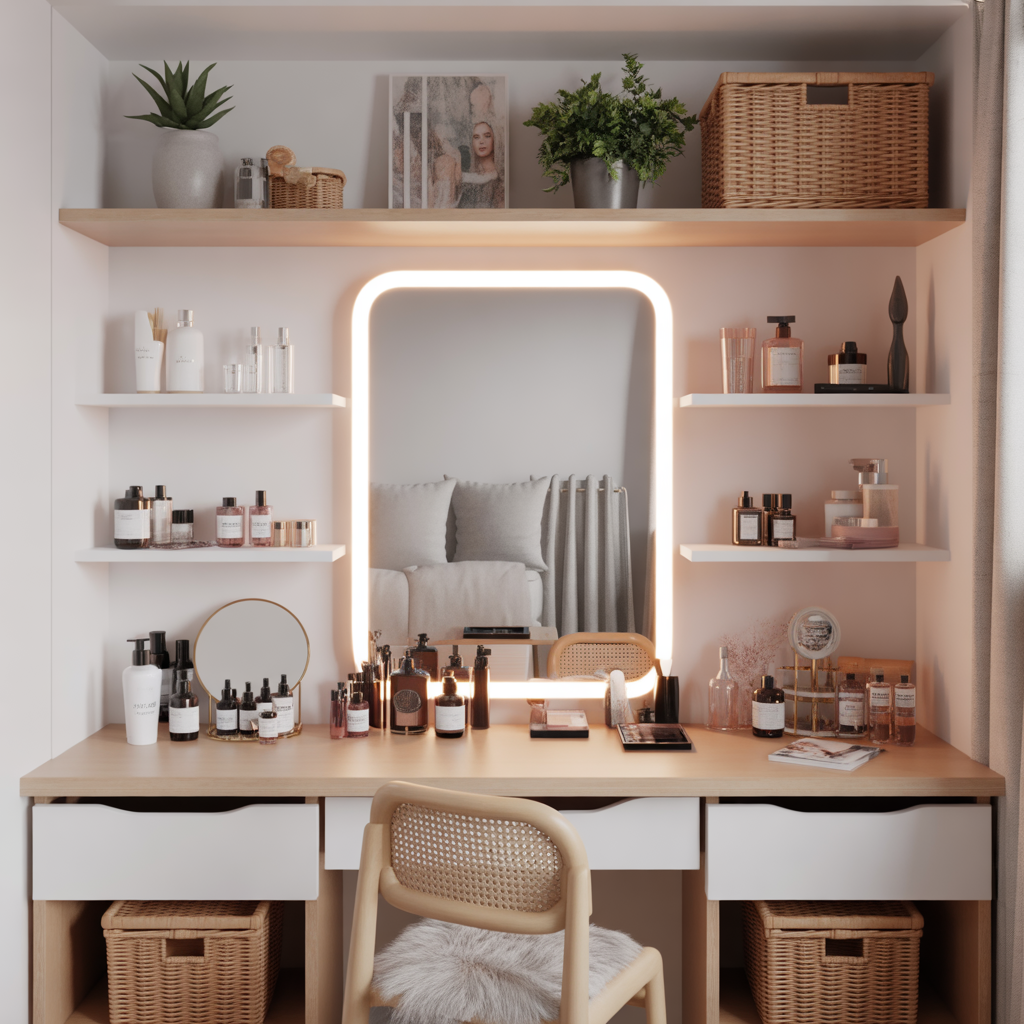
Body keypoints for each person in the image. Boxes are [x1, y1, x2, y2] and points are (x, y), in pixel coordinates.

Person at [458, 120, 504, 209]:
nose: (481, 141)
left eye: (487, 136)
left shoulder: (499, 182)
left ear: (495, 139)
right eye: (476, 137)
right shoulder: (468, 177)